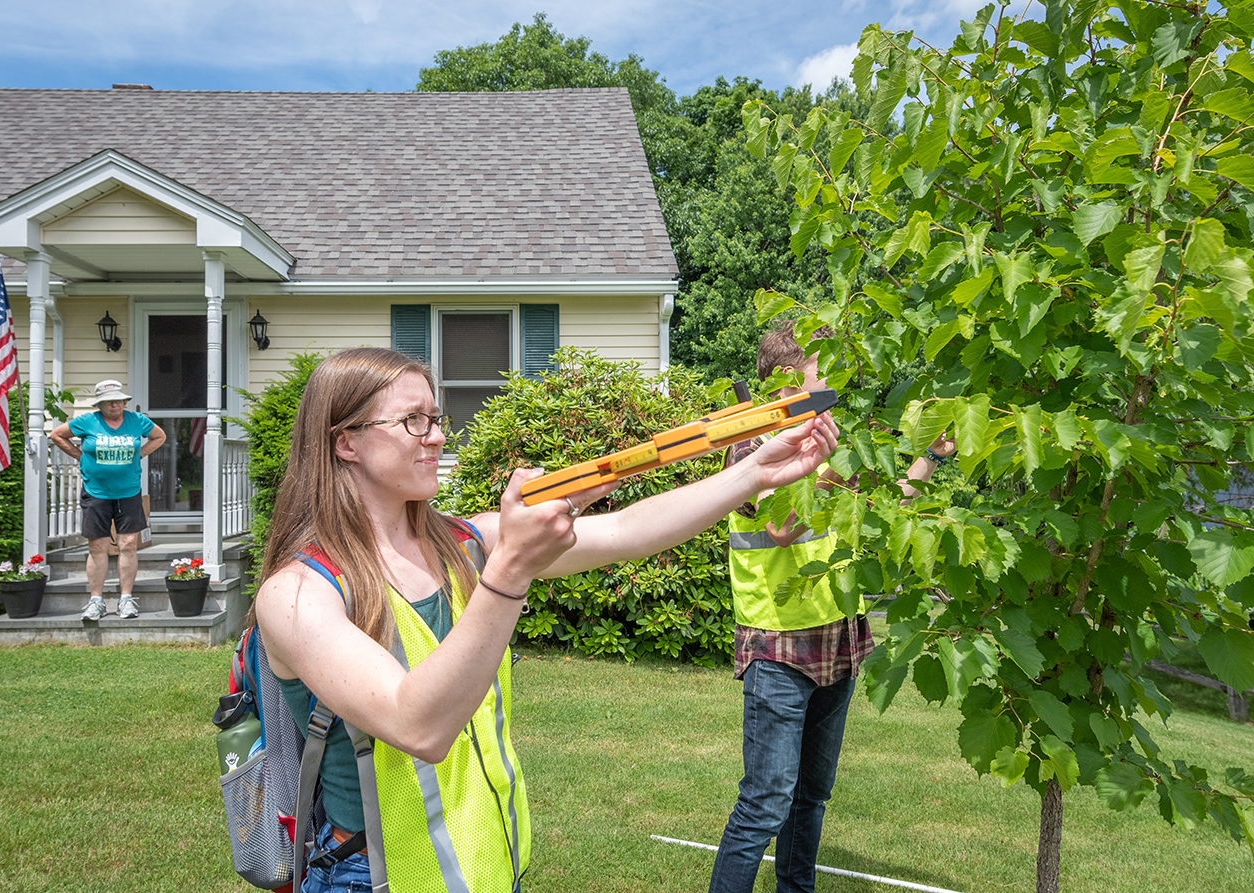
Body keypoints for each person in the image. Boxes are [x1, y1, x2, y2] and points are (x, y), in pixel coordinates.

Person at [251, 346, 840, 893]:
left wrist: (755, 473)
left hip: (482, 859)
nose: (434, 438)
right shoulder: (298, 595)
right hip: (373, 876)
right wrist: (509, 573)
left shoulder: (458, 541)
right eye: (413, 422)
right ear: (345, 442)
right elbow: (419, 727)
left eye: (436, 419)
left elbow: (623, 531)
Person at [708, 320, 955, 893]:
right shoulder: (749, 446)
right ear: (789, 379)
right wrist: (825, 466)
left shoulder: (830, 442)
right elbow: (780, 526)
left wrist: (930, 459)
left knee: (811, 797)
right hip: (779, 650)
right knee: (765, 804)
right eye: (826, 372)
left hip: (838, 644)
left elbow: (887, 506)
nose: (836, 385)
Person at [49, 379, 166, 621]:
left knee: (128, 545)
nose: (116, 404)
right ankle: (96, 601)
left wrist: (139, 455)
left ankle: (126, 600)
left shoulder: (137, 421)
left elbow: (159, 436)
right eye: (109, 401)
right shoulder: (87, 422)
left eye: (119, 400)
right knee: (97, 546)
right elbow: (57, 435)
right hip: (96, 493)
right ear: (100, 404)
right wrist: (80, 456)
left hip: (129, 492)